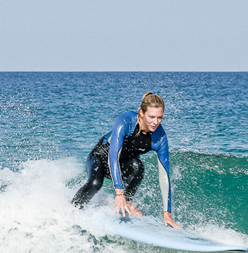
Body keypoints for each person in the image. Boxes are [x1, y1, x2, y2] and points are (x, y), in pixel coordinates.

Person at [72, 92, 180, 229]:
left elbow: (164, 175)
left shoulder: (160, 137)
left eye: (160, 117)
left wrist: (167, 214)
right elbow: (113, 155)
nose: (155, 122)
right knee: (95, 183)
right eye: (151, 117)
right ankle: (72, 210)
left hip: (124, 164)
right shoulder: (126, 121)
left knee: (137, 166)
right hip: (101, 157)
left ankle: (127, 203)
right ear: (141, 112)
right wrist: (119, 192)